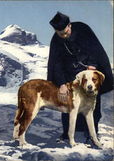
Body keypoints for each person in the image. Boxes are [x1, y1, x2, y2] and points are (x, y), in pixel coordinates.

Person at [47, 12, 113, 141]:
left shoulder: (83, 30)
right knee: (68, 103)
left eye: (66, 33)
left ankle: (91, 134)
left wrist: (92, 66)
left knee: (91, 104)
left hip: (88, 71)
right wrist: (61, 84)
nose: (64, 36)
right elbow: (56, 65)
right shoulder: (56, 40)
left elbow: (95, 50)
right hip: (69, 75)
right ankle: (67, 133)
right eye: (61, 34)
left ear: (69, 26)